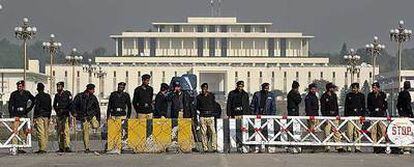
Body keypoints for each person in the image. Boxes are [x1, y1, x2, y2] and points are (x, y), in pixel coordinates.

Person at [72, 84, 101, 153]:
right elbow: (73, 106)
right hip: (83, 116)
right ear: (89, 90)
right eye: (93, 89)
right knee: (85, 132)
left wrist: (98, 119)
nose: (94, 91)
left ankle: (91, 125)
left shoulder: (93, 98)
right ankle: (87, 148)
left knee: (96, 125)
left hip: (91, 116)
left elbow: (97, 108)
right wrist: (75, 114)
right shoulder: (79, 96)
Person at [8, 80, 35, 154]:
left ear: (23, 86)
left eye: (20, 86)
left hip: (23, 114)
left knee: (23, 132)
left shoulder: (27, 93)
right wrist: (11, 115)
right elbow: (10, 105)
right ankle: (14, 147)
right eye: (18, 86)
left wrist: (29, 109)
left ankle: (20, 147)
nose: (19, 87)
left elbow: (34, 100)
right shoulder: (14, 94)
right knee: (15, 131)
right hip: (16, 114)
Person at [106, 82, 132, 154]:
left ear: (124, 88)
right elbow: (109, 106)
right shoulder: (113, 94)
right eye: (119, 87)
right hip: (114, 115)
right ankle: (113, 146)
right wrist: (108, 116)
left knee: (123, 131)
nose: (120, 88)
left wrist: (128, 117)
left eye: (122, 87)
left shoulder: (126, 95)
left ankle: (123, 146)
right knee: (114, 131)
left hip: (122, 115)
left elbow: (129, 106)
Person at [320, 83, 345, 153]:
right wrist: (325, 117)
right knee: (327, 132)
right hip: (327, 116)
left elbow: (336, 106)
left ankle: (338, 146)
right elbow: (323, 108)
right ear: (329, 88)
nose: (333, 89)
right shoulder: (324, 96)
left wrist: (337, 114)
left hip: (334, 116)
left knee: (336, 131)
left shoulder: (334, 95)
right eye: (332, 88)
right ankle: (327, 146)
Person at [196, 83, 217, 152]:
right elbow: (197, 107)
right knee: (203, 133)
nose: (204, 90)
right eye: (203, 88)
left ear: (207, 89)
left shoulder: (211, 96)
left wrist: (213, 112)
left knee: (213, 132)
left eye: (205, 88)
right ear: (201, 89)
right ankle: (205, 148)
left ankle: (214, 147)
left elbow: (214, 104)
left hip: (210, 116)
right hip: (203, 116)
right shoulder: (199, 97)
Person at [367, 82, 387, 154]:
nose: (373, 89)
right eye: (373, 87)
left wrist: (381, 109)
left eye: (375, 88)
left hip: (381, 115)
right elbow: (368, 106)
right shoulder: (370, 95)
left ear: (378, 88)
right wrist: (373, 109)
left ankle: (382, 146)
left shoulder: (383, 94)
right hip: (373, 115)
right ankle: (375, 146)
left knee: (381, 131)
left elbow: (385, 105)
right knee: (373, 131)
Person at [344, 83, 365, 153]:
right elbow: (346, 107)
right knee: (349, 132)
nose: (354, 89)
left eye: (355, 88)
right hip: (350, 116)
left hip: (358, 116)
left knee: (358, 132)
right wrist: (346, 116)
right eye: (353, 88)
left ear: (358, 88)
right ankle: (349, 147)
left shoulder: (361, 96)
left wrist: (363, 115)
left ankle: (357, 147)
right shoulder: (348, 95)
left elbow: (363, 106)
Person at [53, 82, 73, 153]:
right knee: (59, 132)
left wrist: (67, 111)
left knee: (66, 131)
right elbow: (54, 105)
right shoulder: (57, 95)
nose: (58, 88)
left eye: (60, 86)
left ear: (62, 87)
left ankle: (67, 146)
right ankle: (61, 147)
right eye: (57, 86)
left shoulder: (67, 94)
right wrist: (57, 111)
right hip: (59, 115)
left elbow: (70, 104)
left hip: (66, 115)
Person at [33, 83, 52, 154]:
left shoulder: (38, 96)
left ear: (38, 89)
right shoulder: (48, 96)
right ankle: (44, 147)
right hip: (46, 116)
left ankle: (42, 148)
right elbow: (50, 107)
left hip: (40, 116)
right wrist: (49, 117)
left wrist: (34, 117)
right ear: (43, 88)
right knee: (45, 132)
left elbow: (37, 107)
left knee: (40, 132)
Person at [396, 81, 413, 154]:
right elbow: (408, 106)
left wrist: (400, 112)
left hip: (401, 114)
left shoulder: (401, 93)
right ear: (409, 87)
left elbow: (398, 104)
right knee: (406, 132)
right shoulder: (407, 94)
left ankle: (400, 147)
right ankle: (406, 147)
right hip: (406, 115)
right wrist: (411, 114)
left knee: (401, 131)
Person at [287, 81, 302, 154]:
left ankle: (295, 143)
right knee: (293, 128)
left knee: (295, 128)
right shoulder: (292, 93)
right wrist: (298, 94)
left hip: (294, 111)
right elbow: (298, 100)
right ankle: (292, 143)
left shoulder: (291, 93)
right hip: (293, 112)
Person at [305, 83, 319, 152]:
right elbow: (308, 108)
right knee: (311, 131)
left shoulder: (315, 96)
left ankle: (315, 145)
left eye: (315, 89)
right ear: (310, 89)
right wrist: (311, 116)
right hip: (311, 116)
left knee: (315, 131)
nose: (314, 90)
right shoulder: (308, 97)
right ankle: (311, 146)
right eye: (312, 89)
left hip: (316, 115)